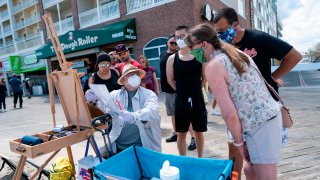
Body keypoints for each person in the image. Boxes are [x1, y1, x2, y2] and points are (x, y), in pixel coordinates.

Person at [185, 23, 283, 180]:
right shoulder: (235, 52)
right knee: (249, 170)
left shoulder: (213, 66)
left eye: (191, 47)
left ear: (204, 44)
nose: (191, 51)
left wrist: (239, 143)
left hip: (259, 125)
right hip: (265, 120)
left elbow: (229, 113)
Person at [213, 7, 302, 178]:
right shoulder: (224, 47)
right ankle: (233, 177)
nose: (220, 35)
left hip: (263, 112)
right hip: (238, 110)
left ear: (235, 24)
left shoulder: (258, 38)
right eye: (217, 32)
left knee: (262, 161)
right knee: (236, 150)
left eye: (223, 30)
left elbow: (294, 56)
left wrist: (273, 76)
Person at [86, 64, 161, 155]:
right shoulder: (115, 95)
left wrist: (134, 116)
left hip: (142, 146)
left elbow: (153, 110)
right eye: (128, 75)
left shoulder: (148, 94)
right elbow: (105, 109)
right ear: (123, 80)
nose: (132, 78)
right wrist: (94, 99)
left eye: (135, 75)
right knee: (100, 159)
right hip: (118, 146)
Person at [166, 25, 207, 157]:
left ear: (189, 36)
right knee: (181, 132)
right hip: (181, 99)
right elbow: (170, 80)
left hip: (197, 97)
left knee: (199, 131)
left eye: (182, 36)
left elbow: (205, 76)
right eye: (177, 37)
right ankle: (183, 159)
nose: (180, 39)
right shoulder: (172, 59)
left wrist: (197, 88)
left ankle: (200, 158)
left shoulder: (199, 54)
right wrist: (181, 91)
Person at [160, 34, 179, 143]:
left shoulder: (179, 55)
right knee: (172, 113)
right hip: (167, 90)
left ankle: (193, 137)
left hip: (178, 89)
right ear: (167, 43)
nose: (174, 45)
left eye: (176, 43)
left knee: (185, 114)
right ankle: (175, 133)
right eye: (172, 42)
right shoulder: (162, 54)